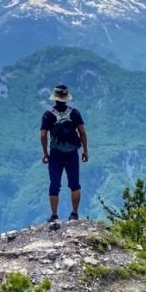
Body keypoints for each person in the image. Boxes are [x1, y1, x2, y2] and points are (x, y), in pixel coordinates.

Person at [40, 84, 89, 223]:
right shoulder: (74, 113)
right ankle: (74, 214)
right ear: (66, 98)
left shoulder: (48, 114)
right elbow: (83, 132)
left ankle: (54, 215)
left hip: (56, 154)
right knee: (75, 184)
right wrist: (85, 150)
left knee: (54, 184)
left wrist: (45, 152)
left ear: (54, 98)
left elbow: (43, 135)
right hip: (72, 153)